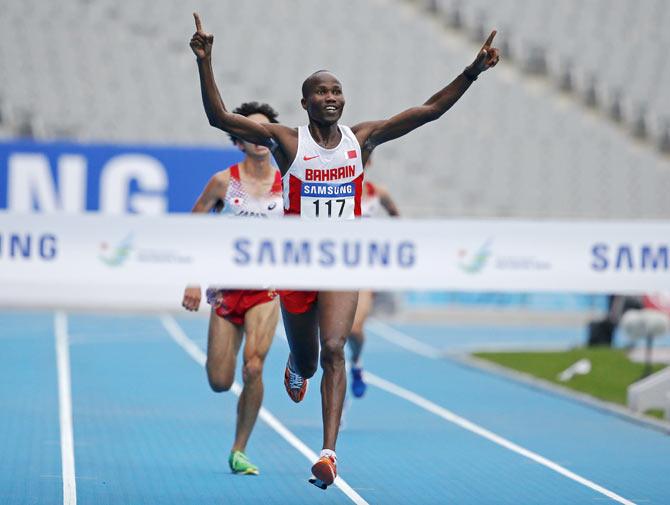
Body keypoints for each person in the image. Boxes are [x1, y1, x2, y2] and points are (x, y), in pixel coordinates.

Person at [189, 12, 499, 489]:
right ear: (305, 101)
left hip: (341, 261)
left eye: (336, 91)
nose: (330, 98)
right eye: (321, 92)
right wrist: (206, 62)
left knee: (335, 346)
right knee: (310, 359)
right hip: (294, 266)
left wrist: (471, 73)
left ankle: (329, 453)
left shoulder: (363, 137)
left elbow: (428, 110)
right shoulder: (286, 143)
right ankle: (297, 364)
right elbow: (219, 118)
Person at [181, 101, 284, 476]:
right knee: (220, 382)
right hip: (226, 289)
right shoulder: (223, 181)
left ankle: (239, 449)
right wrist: (193, 277)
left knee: (254, 366)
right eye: (250, 132)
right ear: (238, 141)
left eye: (264, 131)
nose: (258, 137)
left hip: (267, 289)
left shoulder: (289, 183)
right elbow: (194, 226)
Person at [349, 161, 400, 398]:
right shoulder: (329, 189)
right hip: (329, 269)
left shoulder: (377, 192)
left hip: (363, 270)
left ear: (369, 162)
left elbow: (395, 215)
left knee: (355, 328)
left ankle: (356, 362)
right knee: (328, 336)